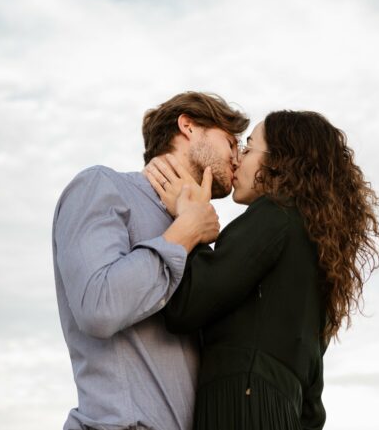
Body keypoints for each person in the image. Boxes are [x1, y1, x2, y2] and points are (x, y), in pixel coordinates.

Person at [145, 110, 379, 430]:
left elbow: (186, 304)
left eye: (249, 147)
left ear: (278, 160)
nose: (238, 159)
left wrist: (191, 221)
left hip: (241, 408)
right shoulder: (317, 254)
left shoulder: (274, 216)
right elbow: (312, 406)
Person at [51, 91, 249, 430]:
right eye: (230, 143)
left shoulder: (204, 242)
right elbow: (98, 305)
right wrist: (185, 231)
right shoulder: (102, 186)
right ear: (188, 125)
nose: (237, 159)